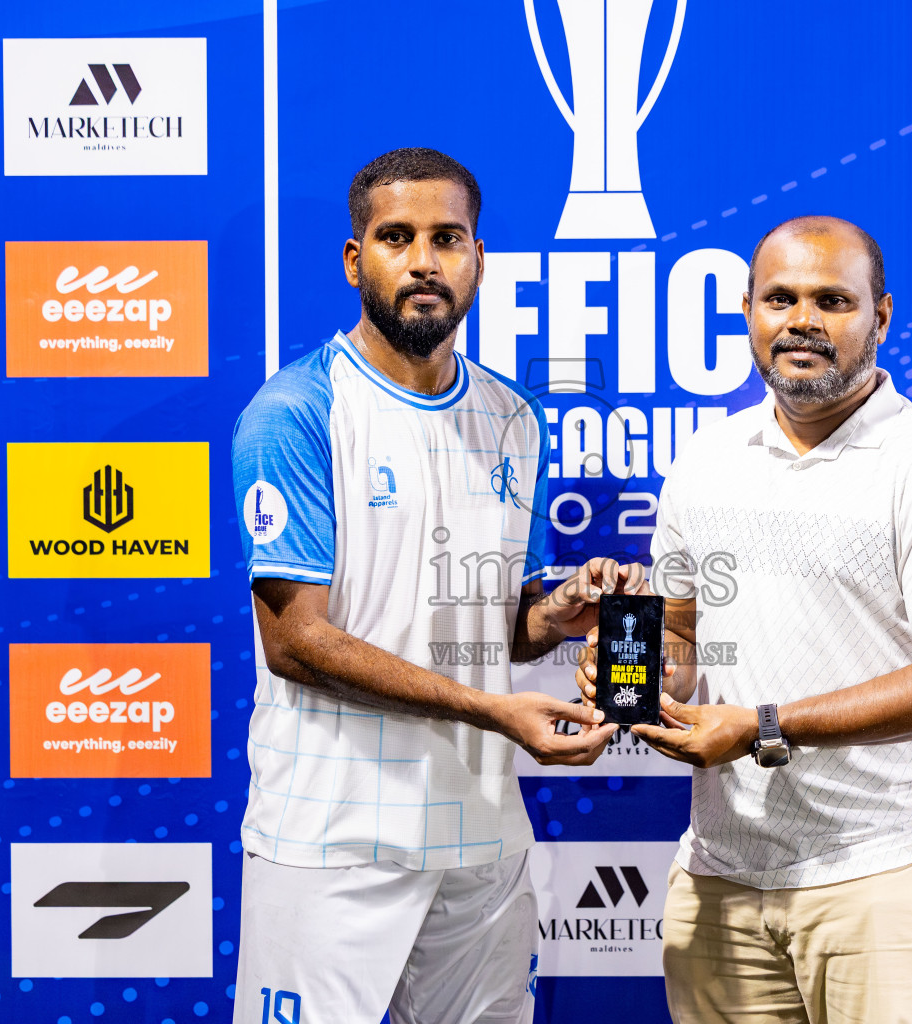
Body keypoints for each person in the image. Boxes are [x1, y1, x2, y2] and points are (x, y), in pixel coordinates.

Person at [576, 215, 912, 1024]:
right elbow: (677, 634)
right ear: (748, 311)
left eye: (832, 300)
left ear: (880, 318)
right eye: (780, 297)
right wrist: (631, 677)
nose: (801, 320)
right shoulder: (705, 463)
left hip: (884, 874)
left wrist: (761, 725)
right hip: (723, 877)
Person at [231, 147, 628, 1024]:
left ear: (478, 260)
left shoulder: (513, 416)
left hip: (480, 833)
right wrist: (495, 711)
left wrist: (554, 613)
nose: (423, 260)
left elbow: (499, 623)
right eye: (396, 237)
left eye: (448, 238)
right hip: (333, 836)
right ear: (354, 260)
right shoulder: (296, 412)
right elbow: (298, 643)